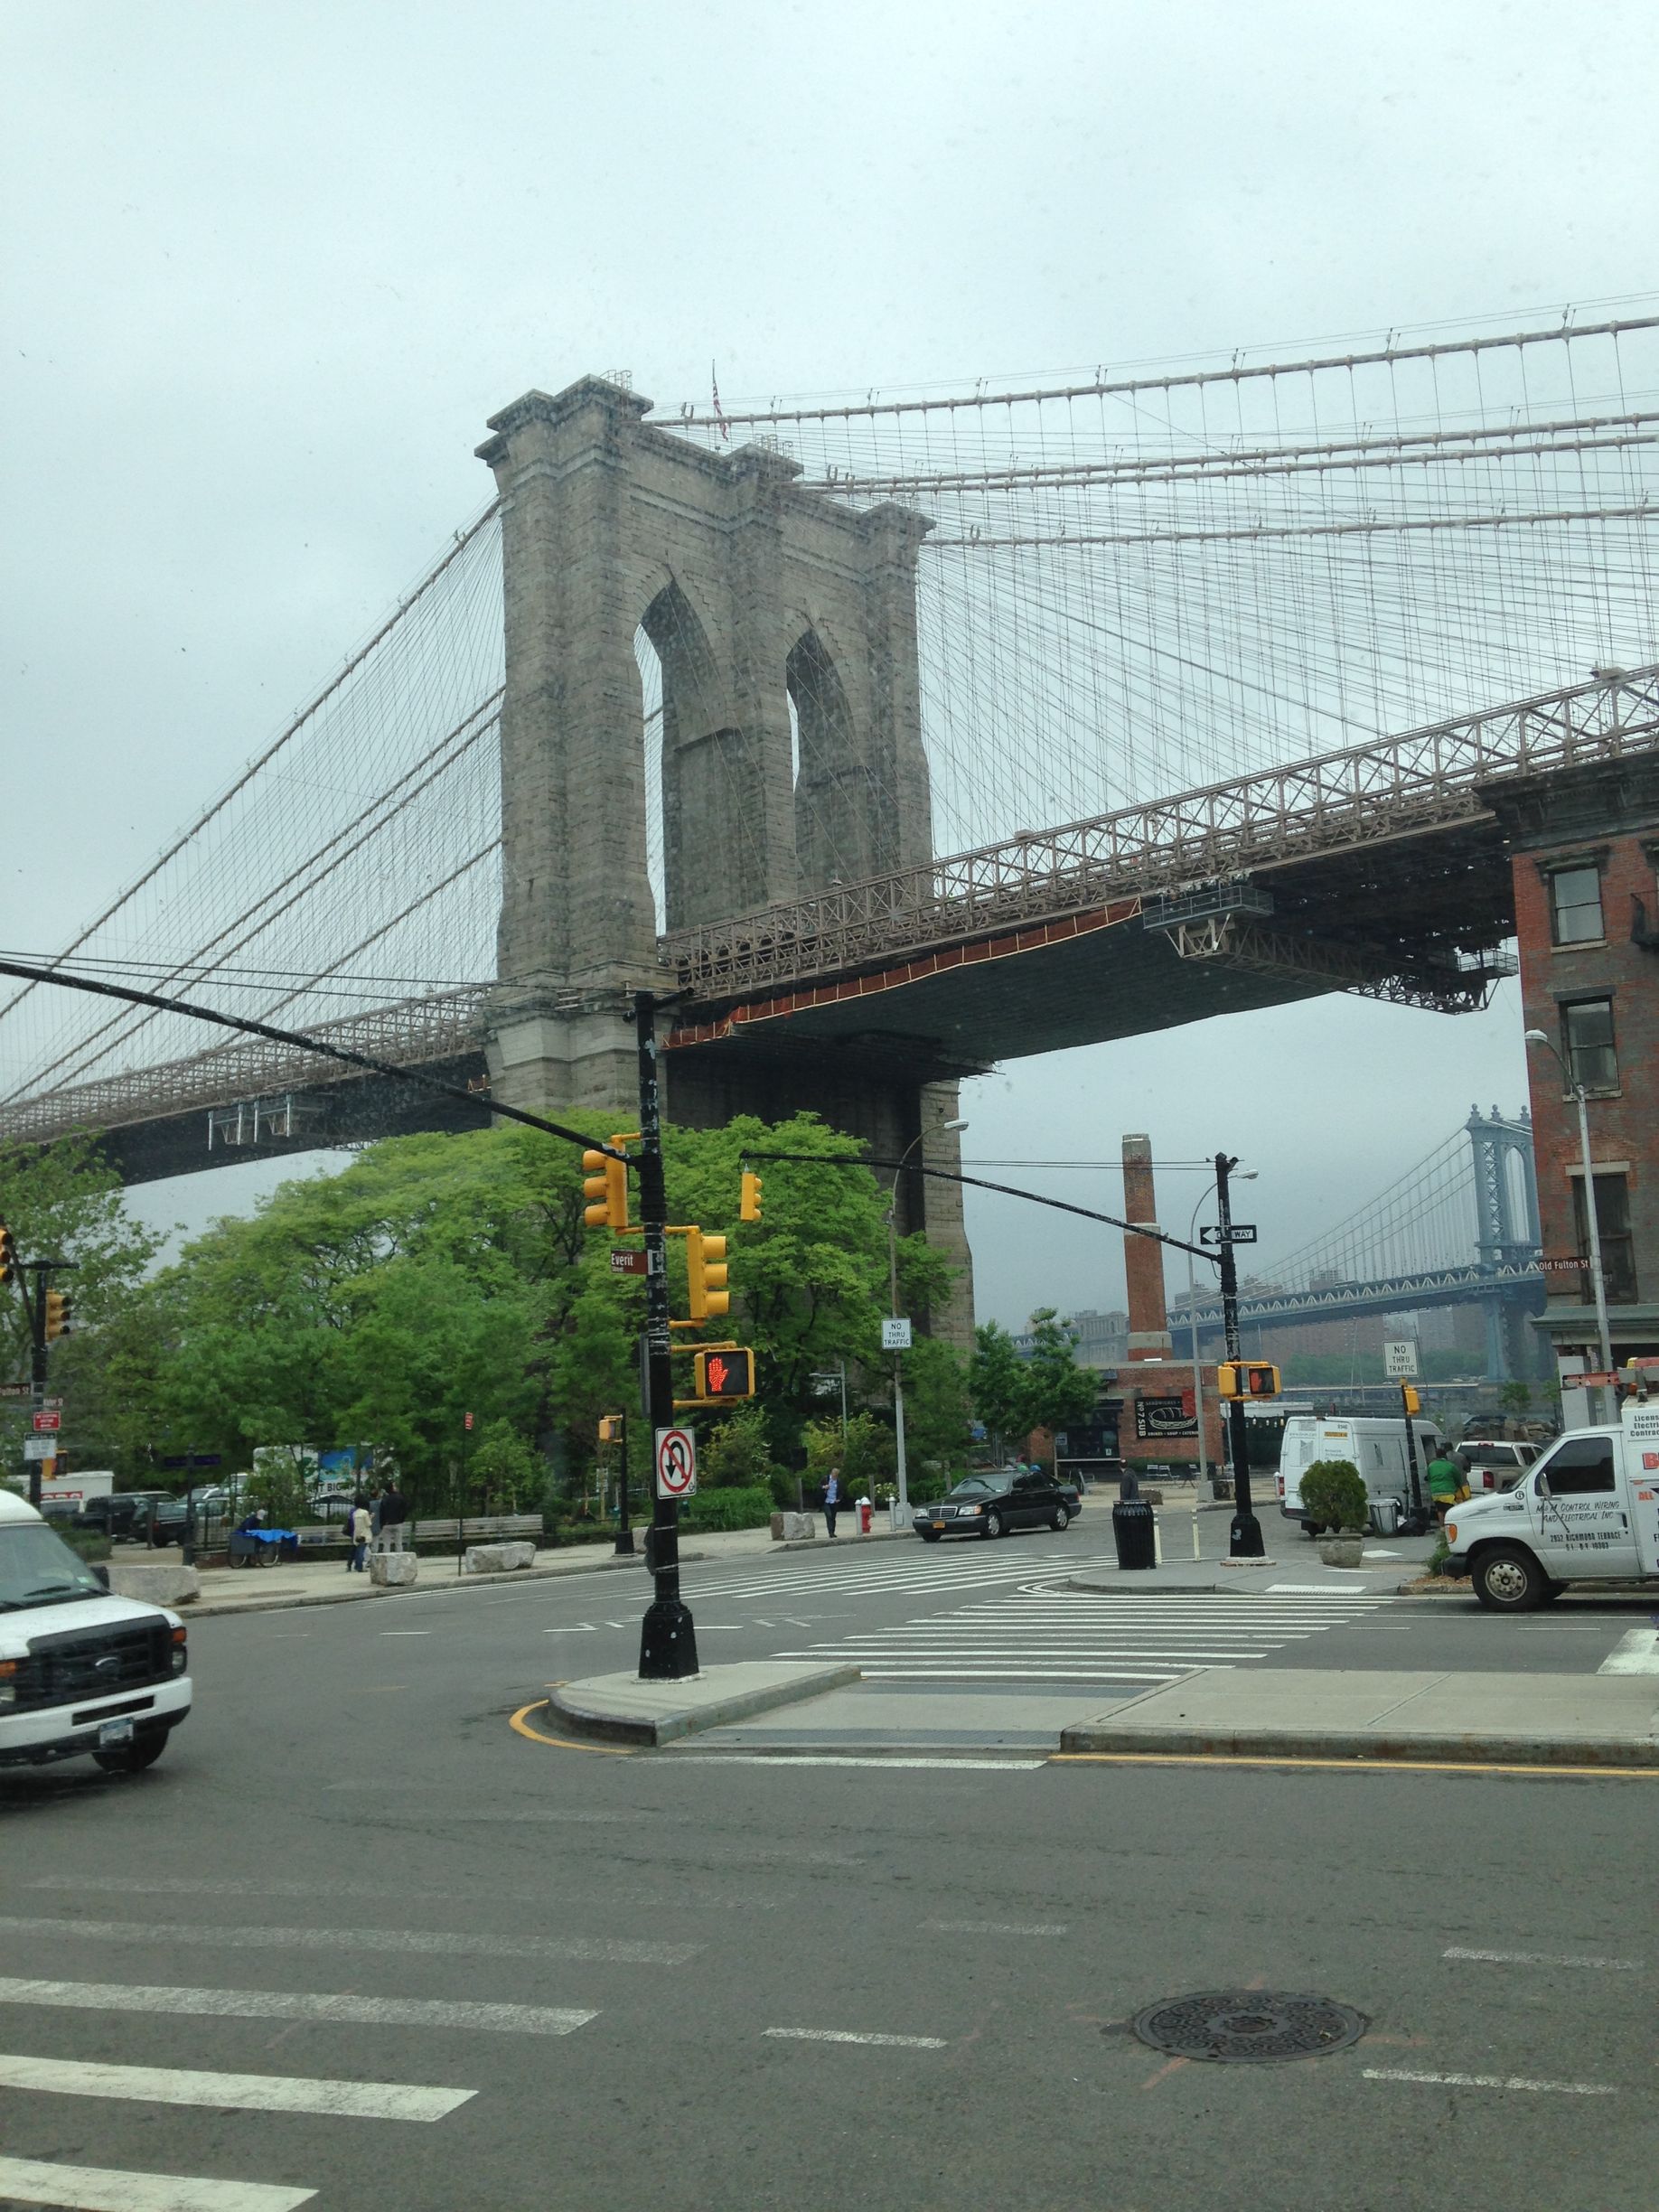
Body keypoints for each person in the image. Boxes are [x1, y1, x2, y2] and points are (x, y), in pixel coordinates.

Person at [1425, 1446, 1462, 1523]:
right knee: (1449, 1510)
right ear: (1445, 1455)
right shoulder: (1451, 1466)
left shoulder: (1431, 1466)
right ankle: (1448, 1525)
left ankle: (1442, 1526)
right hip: (1448, 1492)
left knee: (1440, 1510)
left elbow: (1429, 1477)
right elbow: (1458, 1478)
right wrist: (1458, 1486)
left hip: (1436, 1492)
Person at [378, 1476, 408, 1554]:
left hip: (387, 1524)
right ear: (392, 1488)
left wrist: (382, 1524)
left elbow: (381, 1513)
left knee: (386, 1544)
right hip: (397, 1523)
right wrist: (402, 1519)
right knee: (398, 1543)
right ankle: (399, 1559)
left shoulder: (384, 1500)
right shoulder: (400, 1497)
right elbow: (405, 1509)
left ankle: (386, 1560)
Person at [347, 1494, 371, 1572]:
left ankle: (357, 1565)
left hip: (357, 1534)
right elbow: (368, 1524)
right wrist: (371, 1517)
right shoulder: (365, 1512)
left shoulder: (354, 1513)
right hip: (364, 1534)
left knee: (358, 1550)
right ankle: (360, 1567)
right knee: (361, 1551)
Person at [821, 1466, 841, 1540]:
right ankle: (830, 1532)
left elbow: (841, 1492)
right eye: (833, 1475)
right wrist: (824, 1487)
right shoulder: (826, 1479)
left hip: (834, 1501)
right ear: (831, 1473)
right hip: (826, 1501)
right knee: (829, 1516)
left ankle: (833, 1532)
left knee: (833, 1517)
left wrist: (839, 1499)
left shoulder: (838, 1481)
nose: (834, 1477)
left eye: (836, 1476)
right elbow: (819, 1486)